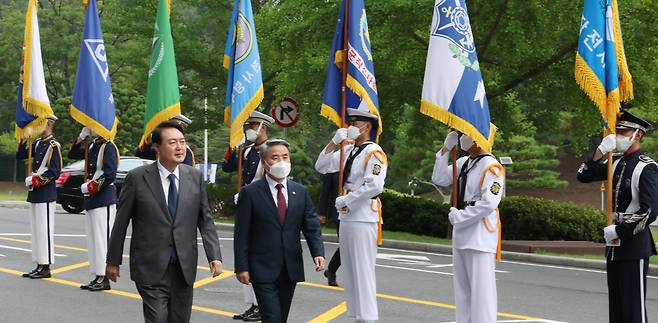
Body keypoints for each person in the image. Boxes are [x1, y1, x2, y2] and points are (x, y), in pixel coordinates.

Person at [106, 121, 223, 323]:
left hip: (184, 266)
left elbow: (206, 220)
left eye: (182, 142)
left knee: (179, 319)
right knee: (158, 318)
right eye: (172, 142)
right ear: (157, 148)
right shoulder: (137, 178)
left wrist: (215, 255)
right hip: (150, 266)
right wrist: (113, 260)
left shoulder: (194, 176)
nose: (180, 147)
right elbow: (121, 222)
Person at [577, 108, 657, 323]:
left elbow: (649, 211)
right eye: (618, 131)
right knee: (617, 307)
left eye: (623, 132)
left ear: (637, 135)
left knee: (633, 309)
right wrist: (599, 152)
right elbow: (583, 175)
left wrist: (621, 230)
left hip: (633, 242)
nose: (618, 136)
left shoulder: (647, 168)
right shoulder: (615, 161)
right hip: (613, 242)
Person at [234, 139, 325, 323]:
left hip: (289, 267)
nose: (281, 162)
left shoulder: (300, 192)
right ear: (264, 162)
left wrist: (318, 252)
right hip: (261, 267)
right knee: (272, 317)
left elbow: (311, 226)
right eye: (275, 157)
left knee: (281, 318)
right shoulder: (250, 193)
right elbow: (241, 233)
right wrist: (241, 267)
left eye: (285, 157)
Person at [315, 107, 387, 322]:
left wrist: (348, 199)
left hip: (363, 216)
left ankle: (368, 317)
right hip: (346, 215)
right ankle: (356, 315)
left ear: (367, 126)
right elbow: (321, 166)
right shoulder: (348, 151)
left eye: (355, 123)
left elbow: (374, 186)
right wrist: (333, 142)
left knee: (363, 269)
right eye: (350, 123)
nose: (351, 127)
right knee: (351, 270)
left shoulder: (374, 153)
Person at [432, 131, 504, 323]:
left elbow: (489, 203)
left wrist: (461, 217)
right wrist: (445, 149)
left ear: (478, 137)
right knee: (462, 292)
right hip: (462, 232)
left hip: (479, 233)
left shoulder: (491, 167)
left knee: (482, 294)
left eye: (465, 133)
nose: (462, 137)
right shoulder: (464, 162)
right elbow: (439, 178)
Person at [222, 110, 274, 321]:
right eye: (248, 126)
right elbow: (227, 167)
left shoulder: (271, 151)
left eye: (253, 126)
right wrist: (235, 144)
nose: (250, 130)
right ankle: (252, 304)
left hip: (262, 212)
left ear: (263, 127)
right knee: (246, 257)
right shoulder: (247, 151)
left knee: (260, 259)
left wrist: (248, 195)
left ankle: (262, 305)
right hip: (246, 211)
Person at [68, 127, 119, 291]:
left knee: (103, 239)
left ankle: (105, 277)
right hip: (92, 199)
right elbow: (73, 154)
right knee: (93, 240)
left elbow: (110, 174)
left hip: (103, 198)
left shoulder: (109, 147)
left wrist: (91, 187)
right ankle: (98, 275)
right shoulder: (93, 145)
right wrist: (81, 136)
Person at [16, 115, 62, 279]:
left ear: (49, 125)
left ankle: (46, 266)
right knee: (36, 231)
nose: (38, 126)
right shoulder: (37, 144)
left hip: (45, 193)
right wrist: (23, 137)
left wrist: (36, 180)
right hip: (35, 193)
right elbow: (20, 156)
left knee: (45, 230)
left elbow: (55, 172)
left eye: (40, 124)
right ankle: (39, 263)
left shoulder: (53, 145)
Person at [317, 172, 341, 286]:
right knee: (345, 244)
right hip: (340, 210)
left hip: (358, 212)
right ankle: (331, 271)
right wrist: (321, 212)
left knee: (352, 245)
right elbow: (325, 190)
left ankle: (331, 270)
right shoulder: (336, 161)